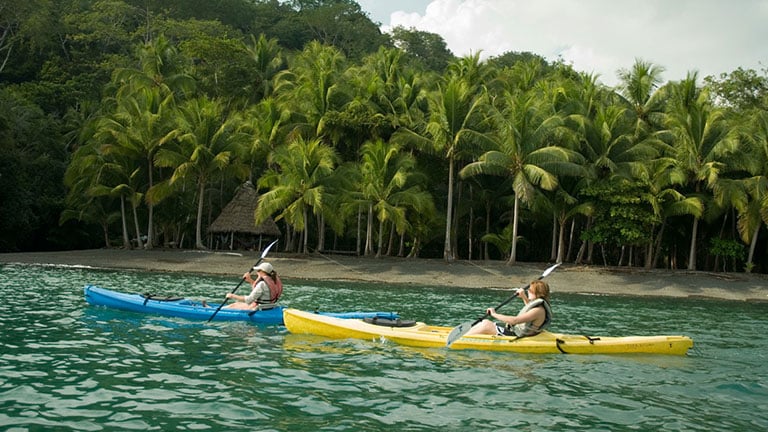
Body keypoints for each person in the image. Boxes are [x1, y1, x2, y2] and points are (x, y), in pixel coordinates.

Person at [464, 280, 552, 337]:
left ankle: (461, 340)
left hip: (516, 335)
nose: (528, 291)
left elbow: (514, 321)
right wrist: (523, 297)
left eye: (530, 290)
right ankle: (465, 335)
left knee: (485, 326)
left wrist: (494, 314)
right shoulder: (538, 307)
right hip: (515, 331)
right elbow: (529, 309)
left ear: (537, 292)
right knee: (485, 322)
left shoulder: (538, 311)